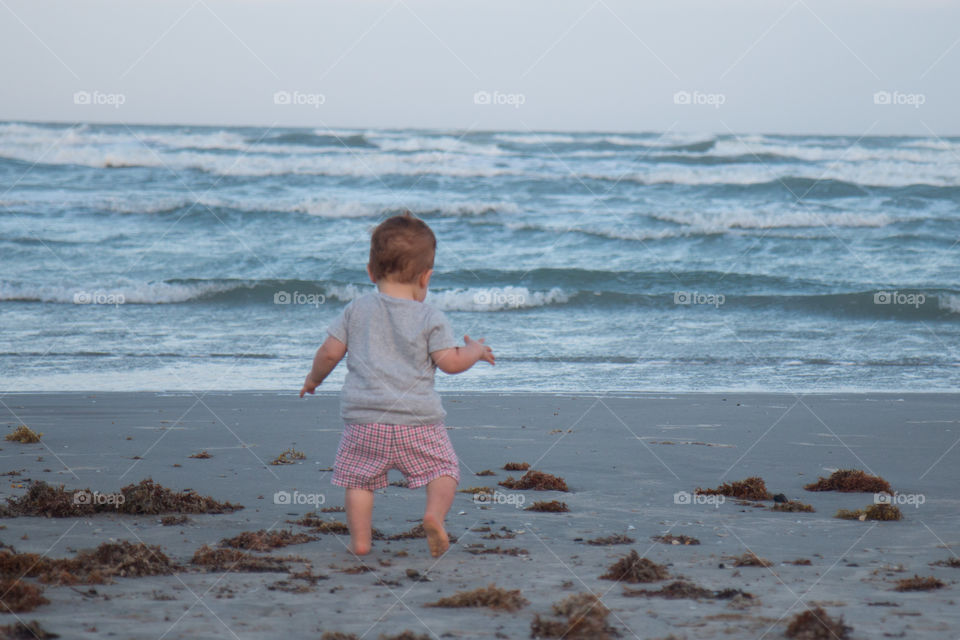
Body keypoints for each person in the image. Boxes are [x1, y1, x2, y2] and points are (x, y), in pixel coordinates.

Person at [299, 212, 494, 557]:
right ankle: (433, 515)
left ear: (371, 272)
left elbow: (329, 353)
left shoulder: (355, 310)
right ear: (426, 277)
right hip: (417, 421)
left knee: (358, 481)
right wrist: (475, 351)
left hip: (364, 421)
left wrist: (314, 379)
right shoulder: (431, 317)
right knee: (444, 469)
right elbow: (450, 363)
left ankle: (360, 542)